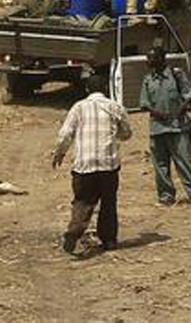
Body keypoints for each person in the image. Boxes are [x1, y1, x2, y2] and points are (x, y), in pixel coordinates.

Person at [52, 74, 133, 253]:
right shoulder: (115, 107)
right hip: (108, 164)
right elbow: (127, 133)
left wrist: (59, 154)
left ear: (87, 90)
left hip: (84, 166)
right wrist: (115, 134)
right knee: (109, 203)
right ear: (105, 88)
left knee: (82, 201)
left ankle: (75, 230)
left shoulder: (78, 108)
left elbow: (66, 134)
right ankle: (109, 240)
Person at [140, 47, 191, 206]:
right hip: (157, 128)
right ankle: (166, 197)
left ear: (162, 58)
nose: (148, 61)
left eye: (152, 58)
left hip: (177, 128)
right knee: (161, 166)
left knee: (184, 162)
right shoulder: (148, 79)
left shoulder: (177, 75)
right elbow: (144, 104)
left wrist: (181, 108)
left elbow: (189, 94)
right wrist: (157, 113)